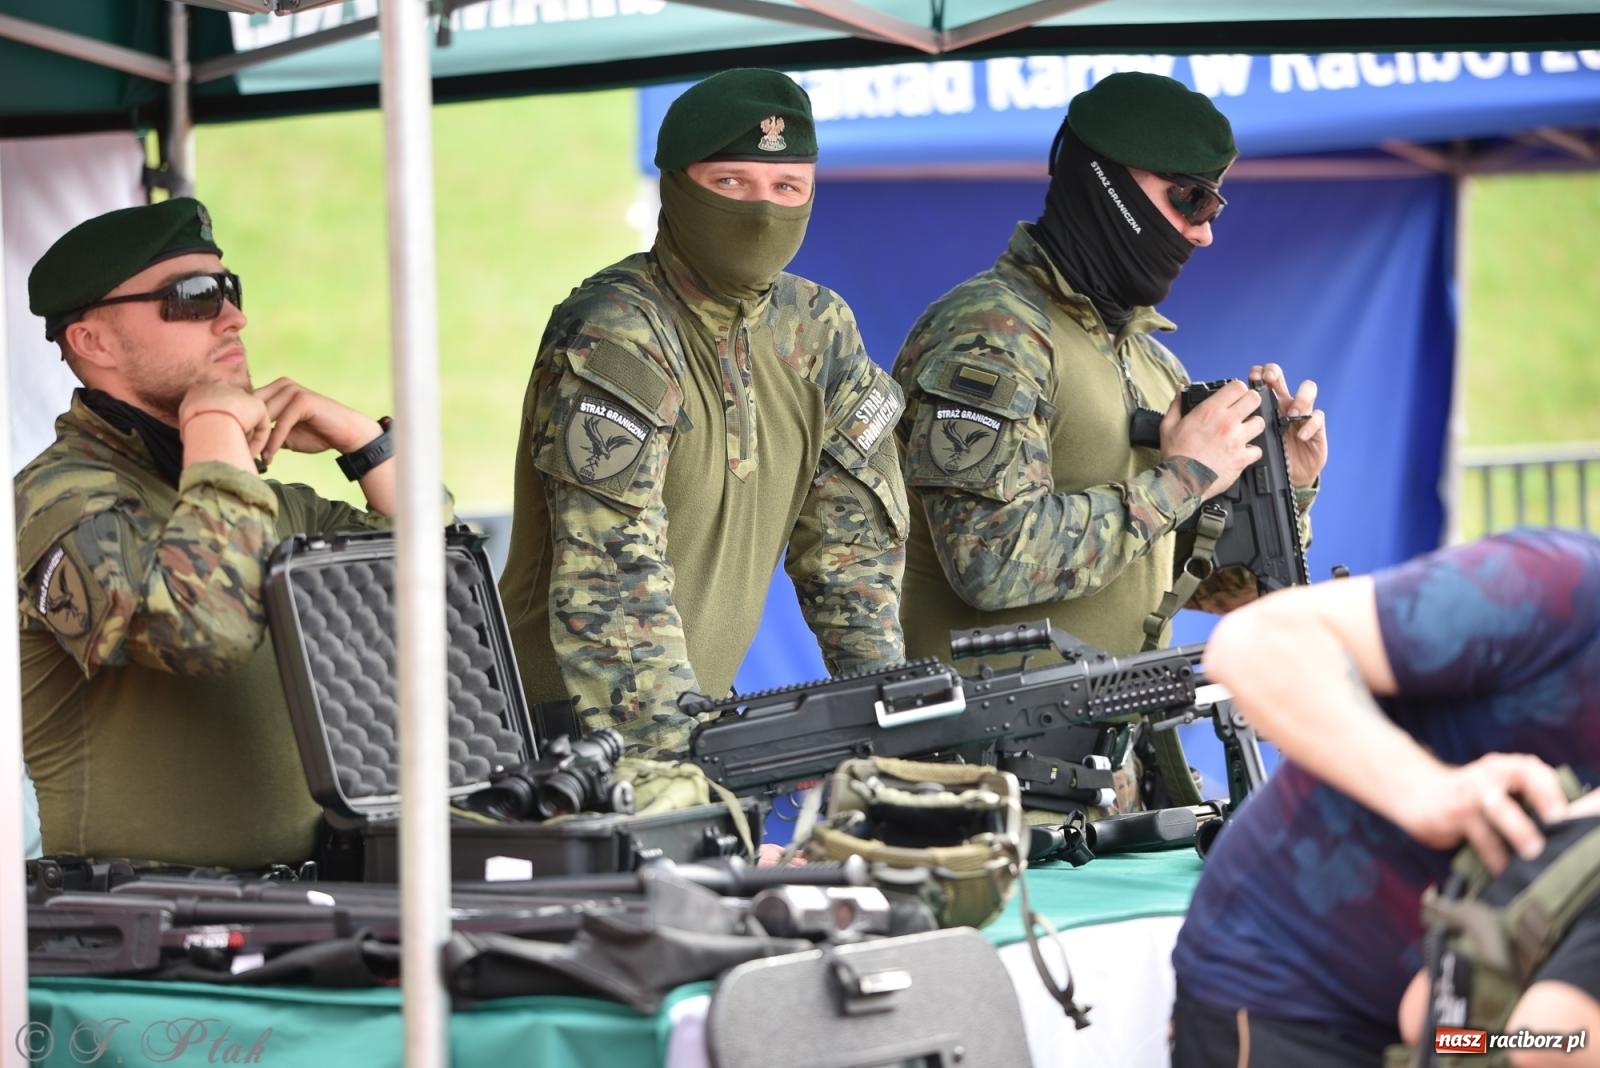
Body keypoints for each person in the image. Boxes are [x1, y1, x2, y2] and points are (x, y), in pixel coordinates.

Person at [891, 71, 1328, 811]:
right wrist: (1184, 474)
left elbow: (1195, 583)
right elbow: (991, 562)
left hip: (1112, 780)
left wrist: (1284, 488)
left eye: (1214, 203)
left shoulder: (1151, 360)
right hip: (985, 788)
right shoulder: (992, 334)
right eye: (1190, 198)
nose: (1204, 229)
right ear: (1108, 186)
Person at [499, 69, 907, 755]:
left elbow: (849, 557)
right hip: (552, 735)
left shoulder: (816, 328)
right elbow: (612, 587)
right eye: (730, 184)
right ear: (676, 185)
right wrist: (678, 768)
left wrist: (897, 726)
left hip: (688, 727)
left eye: (787, 188)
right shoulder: (617, 330)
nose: (761, 213)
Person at [17, 197, 411, 871]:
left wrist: (367, 446)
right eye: (194, 296)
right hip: (139, 937)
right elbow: (203, 634)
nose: (234, 317)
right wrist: (212, 424)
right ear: (93, 343)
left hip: (304, 908)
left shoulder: (255, 495)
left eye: (230, 290)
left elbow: (447, 597)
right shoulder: (59, 499)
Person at [1171, 529, 1600, 1066]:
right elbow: (1254, 642)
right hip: (1285, 991)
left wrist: (1481, 1041)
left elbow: (1436, 1018)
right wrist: (1426, 789)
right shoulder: (1564, 588)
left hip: (1433, 1030)